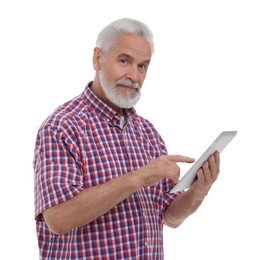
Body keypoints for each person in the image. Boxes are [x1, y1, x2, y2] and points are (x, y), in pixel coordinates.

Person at [33, 18, 220, 259]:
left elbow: (168, 216)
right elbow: (57, 219)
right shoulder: (62, 126)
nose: (134, 75)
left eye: (142, 66)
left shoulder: (147, 133)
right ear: (98, 58)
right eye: (124, 61)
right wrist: (138, 177)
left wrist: (198, 190)